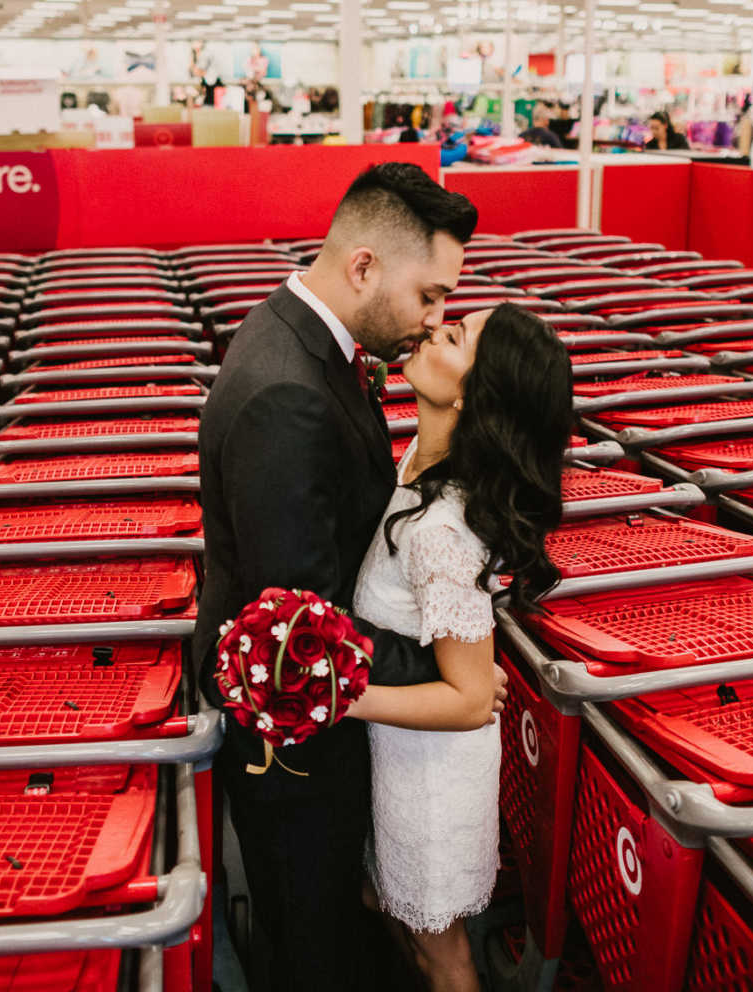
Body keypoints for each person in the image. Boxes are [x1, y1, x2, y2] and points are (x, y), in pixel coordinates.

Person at [197, 162, 499, 992]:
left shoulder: (305, 343)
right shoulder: (288, 395)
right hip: (297, 756)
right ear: (364, 266)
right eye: (428, 296)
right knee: (313, 944)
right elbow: (301, 628)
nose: (434, 319)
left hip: (335, 732)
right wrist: (452, 672)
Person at [348, 303, 571, 992]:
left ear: (472, 394)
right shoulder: (424, 456)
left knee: (442, 955)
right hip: (402, 753)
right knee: (390, 911)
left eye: (453, 337)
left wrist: (340, 696)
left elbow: (473, 699)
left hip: (431, 778)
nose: (431, 329)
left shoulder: (443, 532)